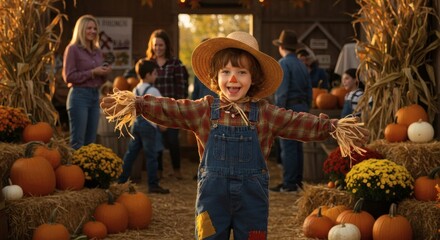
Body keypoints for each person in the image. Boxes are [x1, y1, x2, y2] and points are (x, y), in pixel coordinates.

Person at [100, 31, 369, 240]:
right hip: (211, 200)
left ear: (254, 79)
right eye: (226, 72)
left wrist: (334, 127)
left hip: (252, 203)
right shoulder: (204, 110)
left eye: (242, 72)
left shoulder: (265, 113)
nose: (233, 79)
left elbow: (299, 122)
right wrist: (137, 104)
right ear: (216, 77)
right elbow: (171, 107)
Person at [118, 59, 170, 194]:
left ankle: (121, 180)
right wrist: (162, 123)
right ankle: (153, 184)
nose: (156, 76)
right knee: (151, 156)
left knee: (131, 154)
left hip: (136, 124)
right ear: (147, 75)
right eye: (154, 73)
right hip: (148, 126)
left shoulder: (135, 89)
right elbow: (160, 109)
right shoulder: (153, 90)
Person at [270, 29, 312, 192]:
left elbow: (282, 91)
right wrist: (306, 107)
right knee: (298, 146)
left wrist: (278, 112)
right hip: (302, 107)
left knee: (288, 147)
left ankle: (289, 184)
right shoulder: (302, 64)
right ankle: (297, 182)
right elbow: (309, 90)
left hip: (288, 107)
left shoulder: (283, 63)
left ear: (281, 47)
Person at [62, 14, 112, 149]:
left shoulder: (97, 51)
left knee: (91, 142)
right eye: (89, 28)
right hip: (79, 96)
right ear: (81, 29)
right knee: (78, 142)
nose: (93, 31)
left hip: (95, 96)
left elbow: (100, 79)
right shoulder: (72, 49)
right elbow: (69, 76)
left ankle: (87, 170)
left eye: (95, 28)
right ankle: (74, 170)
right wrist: (93, 72)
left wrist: (104, 73)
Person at [146, 29, 189, 180]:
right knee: (156, 140)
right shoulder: (148, 64)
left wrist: (180, 106)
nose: (157, 48)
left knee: (172, 140)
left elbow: (181, 86)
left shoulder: (175, 63)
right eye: (155, 45)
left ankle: (177, 170)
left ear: (166, 45)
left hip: (171, 107)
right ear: (151, 46)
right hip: (154, 108)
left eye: (161, 45)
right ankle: (159, 171)